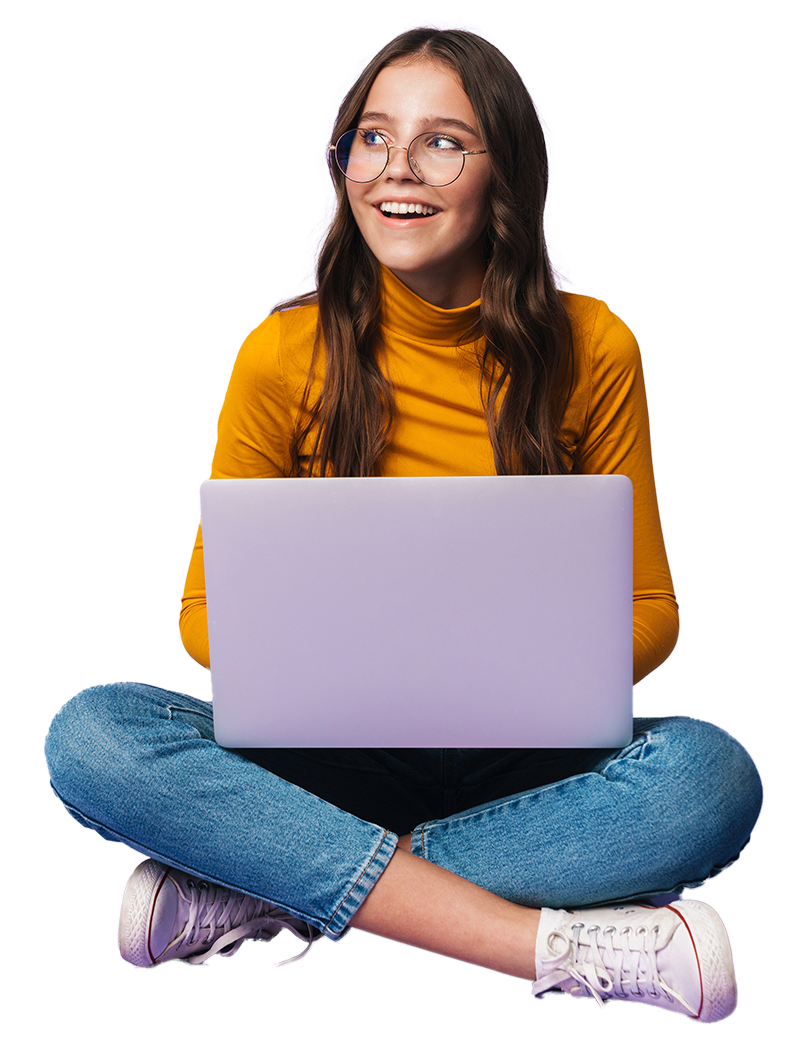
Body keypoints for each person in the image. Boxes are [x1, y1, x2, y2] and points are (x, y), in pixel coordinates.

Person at [43, 27, 763, 1022]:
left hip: (520, 757)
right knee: (94, 736)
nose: (395, 171)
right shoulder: (281, 353)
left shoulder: (593, 346)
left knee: (706, 778)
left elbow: (648, 612)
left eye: (441, 142)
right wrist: (339, 669)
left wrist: (516, 671)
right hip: (327, 756)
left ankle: (267, 883)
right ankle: (541, 939)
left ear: (502, 172)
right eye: (371, 138)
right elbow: (208, 618)